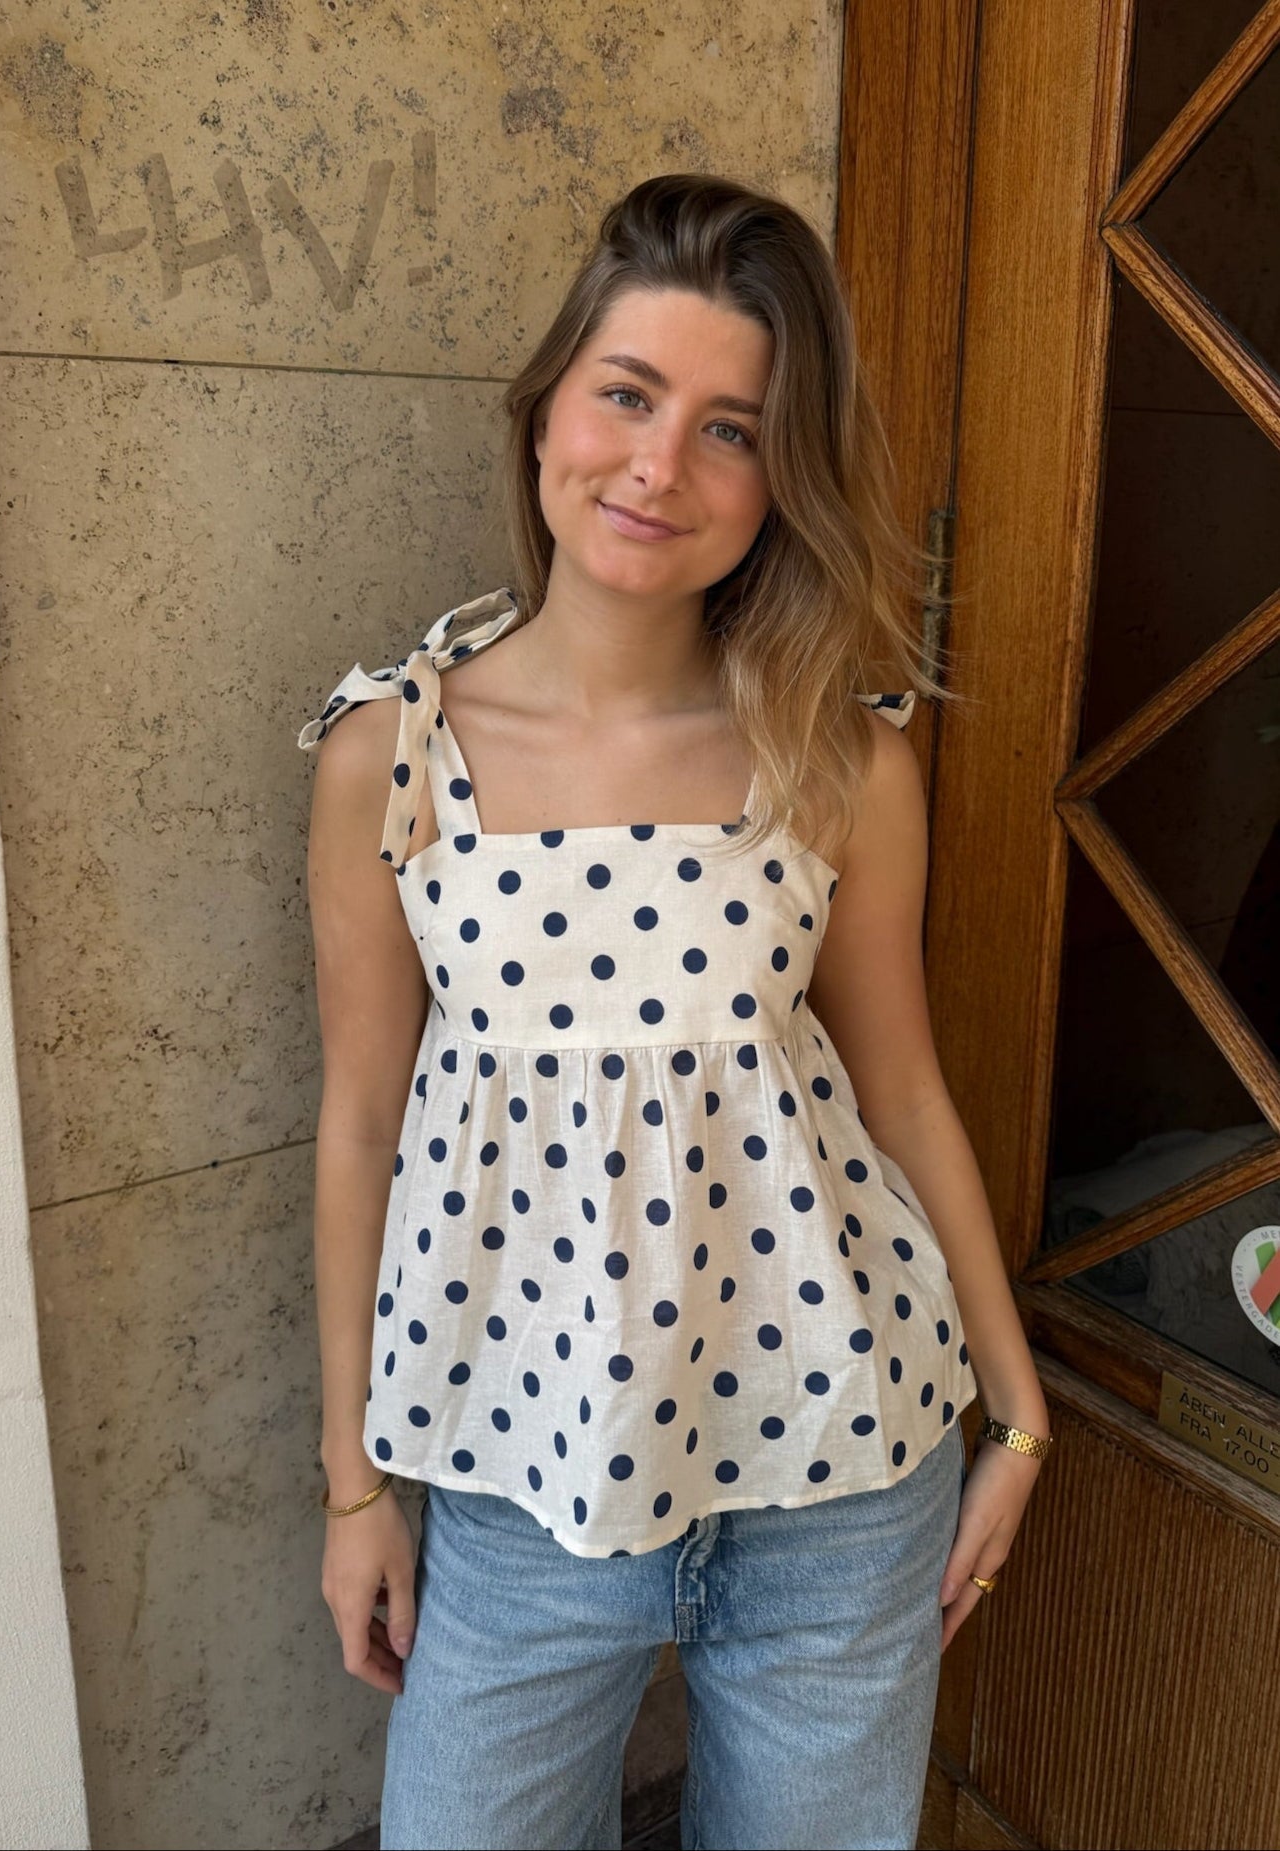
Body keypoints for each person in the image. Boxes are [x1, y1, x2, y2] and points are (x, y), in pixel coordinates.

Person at [298, 173, 1052, 1851]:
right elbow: (357, 1127)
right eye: (628, 395)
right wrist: (355, 1487)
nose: (657, 467)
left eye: (731, 431)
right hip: (518, 1487)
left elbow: (903, 1092)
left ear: (781, 482)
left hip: (842, 1478)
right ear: (545, 411)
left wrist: (1012, 1410)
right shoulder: (389, 755)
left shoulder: (837, 755)